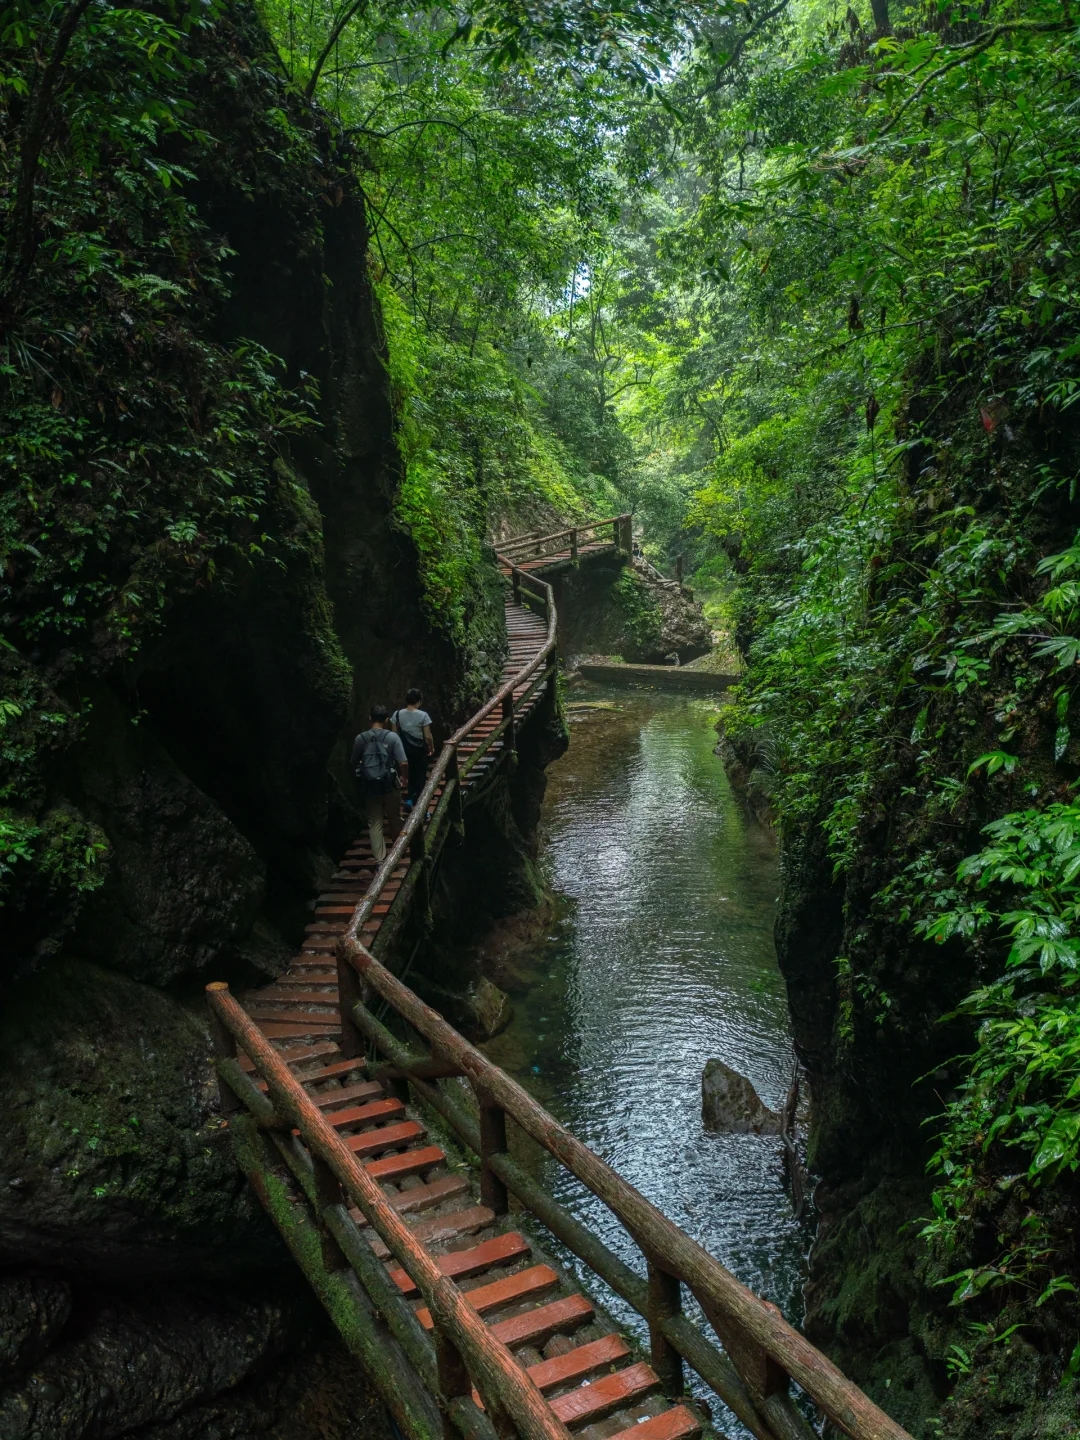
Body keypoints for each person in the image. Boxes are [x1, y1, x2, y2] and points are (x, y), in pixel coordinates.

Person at [351, 705, 407, 863]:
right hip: (389, 784)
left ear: (370, 718)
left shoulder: (360, 739)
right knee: (394, 817)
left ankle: (380, 860)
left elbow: (353, 762)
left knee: (375, 821)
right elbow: (403, 762)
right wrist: (404, 778)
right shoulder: (392, 738)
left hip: (369, 786)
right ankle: (397, 851)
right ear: (387, 720)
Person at [392, 688, 435, 810]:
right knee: (420, 776)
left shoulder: (397, 714)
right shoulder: (423, 715)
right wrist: (431, 748)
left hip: (403, 750)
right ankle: (421, 807)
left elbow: (394, 735)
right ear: (419, 701)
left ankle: (410, 799)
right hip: (419, 750)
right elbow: (428, 736)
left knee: (409, 774)